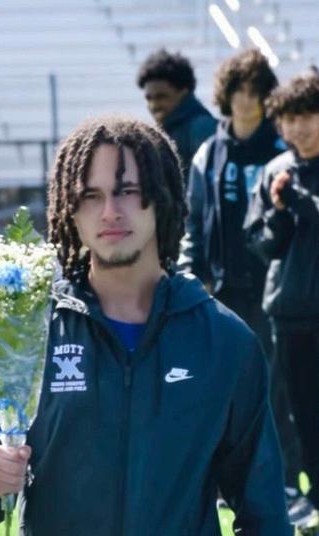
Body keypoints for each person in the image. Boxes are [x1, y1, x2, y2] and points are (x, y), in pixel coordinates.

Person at [0, 115, 291, 535]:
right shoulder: (30, 328)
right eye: (91, 195)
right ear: (70, 210)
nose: (110, 212)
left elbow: (264, 511)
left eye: (127, 191)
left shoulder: (224, 341)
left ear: (162, 198)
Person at [178, 48, 303, 505]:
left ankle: (284, 480)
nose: (246, 101)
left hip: (274, 290)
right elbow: (194, 220)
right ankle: (225, 482)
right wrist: (191, 273)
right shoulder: (209, 153)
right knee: (221, 387)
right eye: (239, 91)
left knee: (276, 391)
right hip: (222, 288)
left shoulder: (283, 151)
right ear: (226, 96)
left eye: (255, 92)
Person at [245, 73, 319, 530]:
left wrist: (302, 204)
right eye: (288, 119)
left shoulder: (294, 181)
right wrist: (278, 216)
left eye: (307, 116)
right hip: (289, 314)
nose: (298, 127)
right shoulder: (275, 171)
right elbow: (260, 243)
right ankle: (307, 496)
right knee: (298, 413)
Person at [137, 48, 216, 180]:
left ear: (183, 91)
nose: (154, 105)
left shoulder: (202, 128)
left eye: (161, 97)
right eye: (149, 98)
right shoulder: (166, 130)